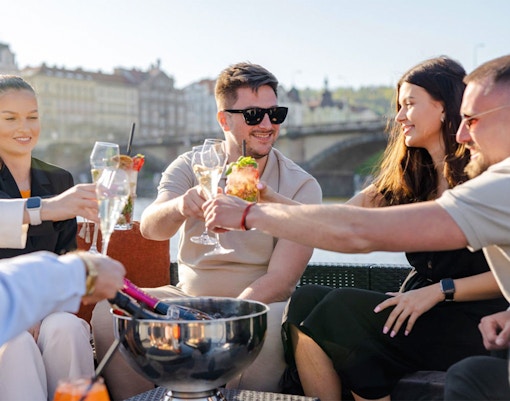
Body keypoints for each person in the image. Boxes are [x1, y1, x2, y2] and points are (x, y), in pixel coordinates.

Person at [204, 55, 510, 400]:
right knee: (305, 301)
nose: (398, 117)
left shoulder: (489, 176)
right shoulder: (406, 173)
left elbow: (357, 233)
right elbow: (341, 221)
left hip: (472, 314)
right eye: (398, 105)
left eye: (409, 104)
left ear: (443, 108)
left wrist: (441, 290)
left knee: (340, 312)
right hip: (416, 303)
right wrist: (268, 199)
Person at [91, 62, 322, 399]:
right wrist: (181, 206)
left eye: (276, 114)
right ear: (224, 119)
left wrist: (222, 320)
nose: (268, 125)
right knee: (108, 312)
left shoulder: (300, 186)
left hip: (260, 306)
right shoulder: (192, 165)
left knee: (261, 326)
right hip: (187, 298)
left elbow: (282, 281)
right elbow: (153, 229)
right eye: (254, 115)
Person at [0, 74, 96, 401]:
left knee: (66, 329)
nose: (24, 127)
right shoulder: (57, 197)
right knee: (13, 342)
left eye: (32, 116)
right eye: (9, 118)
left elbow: (65, 257)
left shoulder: (59, 179)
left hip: (47, 307)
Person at [0, 251, 125, 346]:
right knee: (18, 343)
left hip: (47, 304)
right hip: (16, 303)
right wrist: (82, 271)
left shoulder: (64, 222)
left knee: (69, 329)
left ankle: (81, 381)